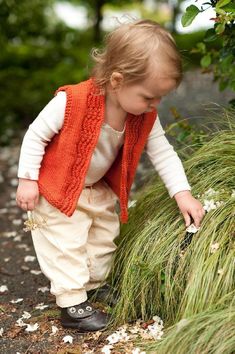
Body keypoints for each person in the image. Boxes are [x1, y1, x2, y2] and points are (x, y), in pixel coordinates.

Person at [16, 19, 205, 332]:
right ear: (117, 81)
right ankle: (71, 302)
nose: (154, 105)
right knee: (67, 243)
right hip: (58, 188)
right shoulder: (71, 101)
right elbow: (35, 135)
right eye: (148, 97)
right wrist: (27, 179)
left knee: (103, 239)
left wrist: (182, 193)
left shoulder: (143, 115)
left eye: (160, 98)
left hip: (94, 188)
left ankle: (91, 285)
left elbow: (163, 152)